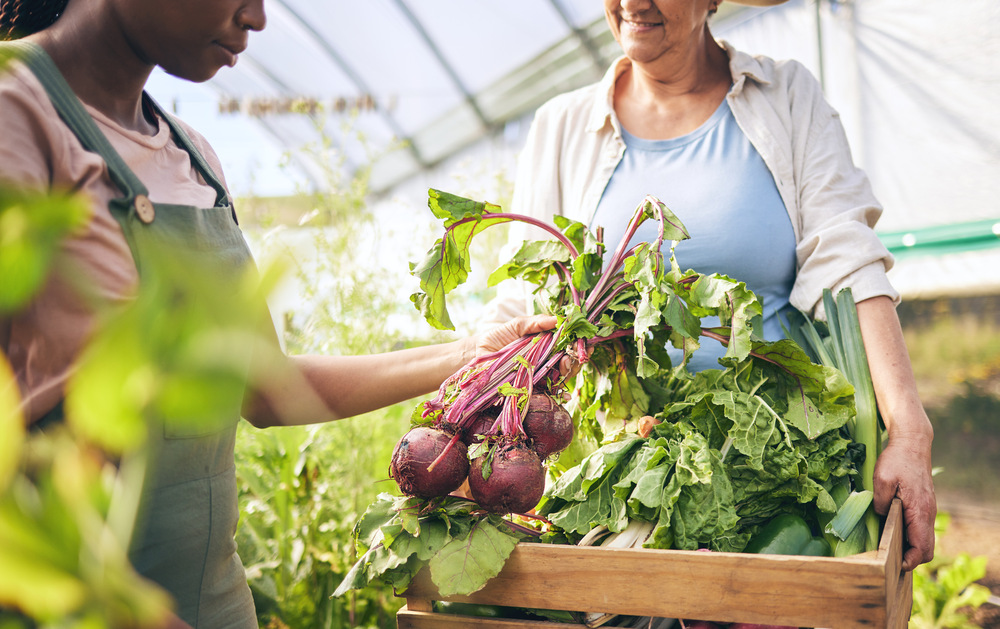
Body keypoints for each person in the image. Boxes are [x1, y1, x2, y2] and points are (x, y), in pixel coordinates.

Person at [0, 1, 556, 627]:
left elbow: (265, 386)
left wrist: (467, 356)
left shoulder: (193, 156)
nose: (258, 18)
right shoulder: (14, 112)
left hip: (215, 603)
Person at [485, 0, 935, 572]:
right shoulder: (561, 127)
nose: (631, 3)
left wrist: (909, 429)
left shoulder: (784, 96)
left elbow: (847, 263)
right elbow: (523, 300)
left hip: (778, 469)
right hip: (624, 486)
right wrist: (474, 419)